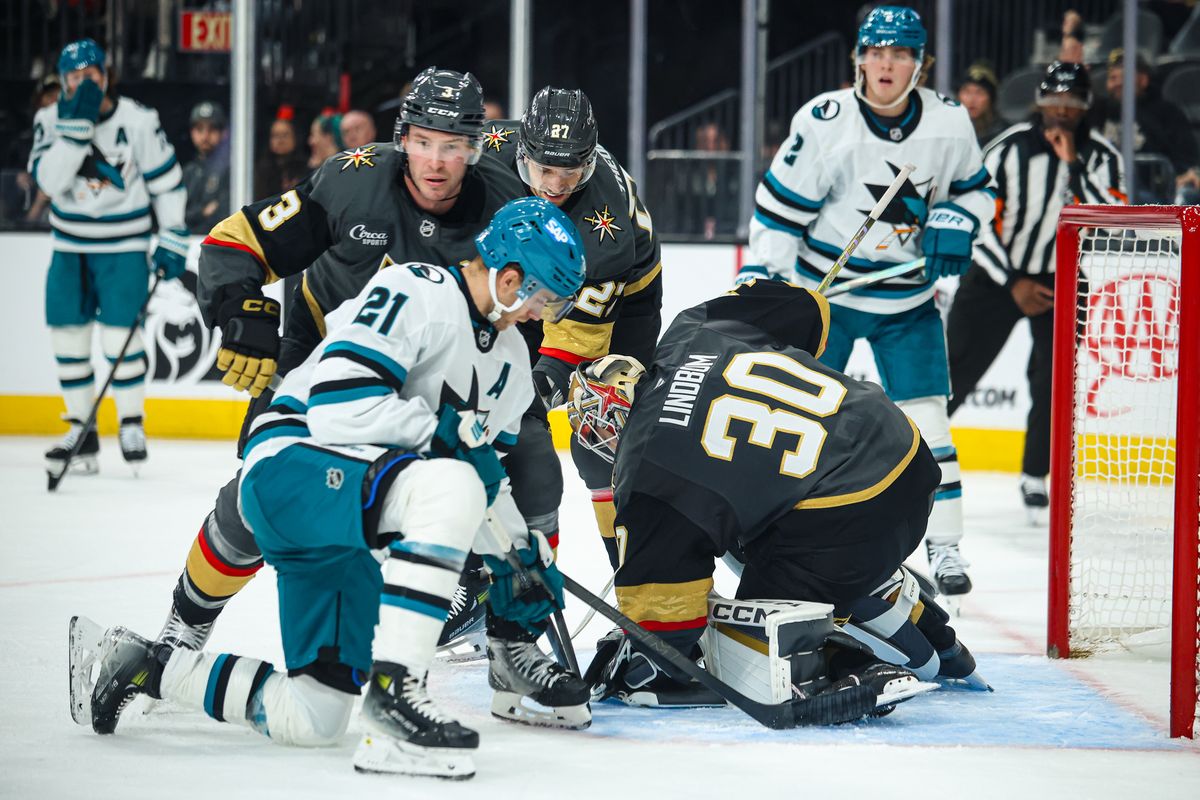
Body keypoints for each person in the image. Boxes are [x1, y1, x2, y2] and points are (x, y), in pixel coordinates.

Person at [75, 197, 588, 779]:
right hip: (293, 463)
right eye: (547, 298)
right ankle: (397, 697)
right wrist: (442, 434)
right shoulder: (418, 290)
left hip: (348, 518)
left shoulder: (513, 365)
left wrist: (520, 555)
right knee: (450, 483)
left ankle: (144, 664)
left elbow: (484, 482)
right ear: (511, 277)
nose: (544, 314)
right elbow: (340, 405)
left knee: (315, 718)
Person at [153, 67, 590, 725]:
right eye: (423, 141)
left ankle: (511, 640)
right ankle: (184, 628)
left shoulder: (505, 206)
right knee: (259, 495)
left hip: (437, 371)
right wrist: (242, 311)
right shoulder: (352, 179)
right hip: (332, 357)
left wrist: (514, 548)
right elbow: (236, 242)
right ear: (401, 138)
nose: (437, 161)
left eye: (454, 145)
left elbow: (511, 334)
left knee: (525, 460)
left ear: (477, 146)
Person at [568, 280, 983, 707]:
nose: (593, 436)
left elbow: (669, 627)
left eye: (595, 424)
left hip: (853, 514)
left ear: (613, 414)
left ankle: (850, 670)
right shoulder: (692, 328)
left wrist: (639, 652)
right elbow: (807, 306)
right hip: (906, 452)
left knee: (749, 640)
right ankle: (918, 622)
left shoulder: (648, 470)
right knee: (754, 531)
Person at [736, 6, 995, 596]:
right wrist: (764, 279)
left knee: (930, 421)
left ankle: (947, 546)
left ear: (920, 64)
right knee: (800, 418)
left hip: (908, 299)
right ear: (858, 58)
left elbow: (980, 192)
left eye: (900, 53)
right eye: (876, 51)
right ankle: (778, 529)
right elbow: (776, 215)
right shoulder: (826, 122)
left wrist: (958, 216)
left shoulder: (951, 123)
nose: (887, 63)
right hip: (827, 296)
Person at [482, 86, 662, 576]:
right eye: (542, 169)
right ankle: (477, 572)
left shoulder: (604, 234)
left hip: (621, 308)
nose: (554, 184)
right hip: (526, 285)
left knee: (600, 428)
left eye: (569, 172)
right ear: (521, 151)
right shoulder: (486, 152)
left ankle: (636, 573)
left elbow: (568, 350)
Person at [947, 61, 1125, 525]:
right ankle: (913, 460)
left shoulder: (1102, 156)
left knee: (1052, 381)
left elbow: (1112, 221)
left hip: (1063, 278)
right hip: (996, 277)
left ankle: (1033, 475)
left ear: (1085, 106)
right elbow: (976, 223)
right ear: (1040, 102)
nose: (1062, 112)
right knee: (954, 370)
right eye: (1054, 102)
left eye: (1072, 104)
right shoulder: (1005, 149)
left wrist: (1072, 167)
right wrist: (1013, 283)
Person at [28, 39, 189, 475]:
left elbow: (166, 181)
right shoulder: (49, 119)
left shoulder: (138, 120)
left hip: (124, 247)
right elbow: (49, 181)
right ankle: (81, 430)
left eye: (91, 75)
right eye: (75, 78)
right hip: (69, 247)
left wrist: (173, 232)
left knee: (121, 339)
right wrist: (74, 130)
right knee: (68, 339)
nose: (84, 84)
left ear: (106, 74)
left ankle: (131, 423)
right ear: (63, 81)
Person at [1091, 48, 1199, 201]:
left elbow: (1185, 159)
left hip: (1153, 195)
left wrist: (1181, 176)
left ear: (1143, 80)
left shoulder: (1166, 113)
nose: (1116, 83)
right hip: (1104, 192)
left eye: (1124, 76)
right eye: (1112, 78)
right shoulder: (1100, 111)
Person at [182, 100, 230, 233]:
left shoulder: (232, 170)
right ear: (192, 132)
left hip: (218, 243)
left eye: (212, 129)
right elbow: (176, 216)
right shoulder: (188, 172)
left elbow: (225, 215)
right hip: (188, 243)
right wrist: (202, 212)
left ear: (224, 133)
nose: (205, 136)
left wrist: (194, 216)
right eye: (199, 129)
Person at [253, 107, 307, 197]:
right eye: (276, 136)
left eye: (285, 135)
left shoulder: (305, 169)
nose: (280, 141)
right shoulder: (263, 172)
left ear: (295, 138)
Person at [957, 62, 1006, 146]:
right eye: (967, 92)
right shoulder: (949, 129)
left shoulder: (1001, 134)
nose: (971, 100)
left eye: (980, 93)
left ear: (991, 99)